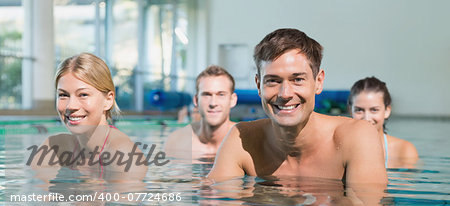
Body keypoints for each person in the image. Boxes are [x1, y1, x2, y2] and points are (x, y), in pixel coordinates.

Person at [207, 28, 387, 186]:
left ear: (318, 82)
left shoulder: (356, 138)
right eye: (273, 81)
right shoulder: (242, 140)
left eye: (298, 80)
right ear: (258, 85)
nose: (285, 93)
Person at [29, 52, 147, 181]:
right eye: (63, 95)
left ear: (108, 100)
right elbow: (34, 197)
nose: (70, 106)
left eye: (83, 94)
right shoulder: (53, 148)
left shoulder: (125, 157)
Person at [164, 65, 237, 159]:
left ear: (232, 100)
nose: (213, 103)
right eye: (207, 95)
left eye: (221, 95)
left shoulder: (246, 141)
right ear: (196, 100)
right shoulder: (177, 142)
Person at [348, 77, 419, 168]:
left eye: (374, 110)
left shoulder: (404, 150)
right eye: (359, 110)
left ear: (387, 111)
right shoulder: (341, 148)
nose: (366, 118)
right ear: (350, 111)